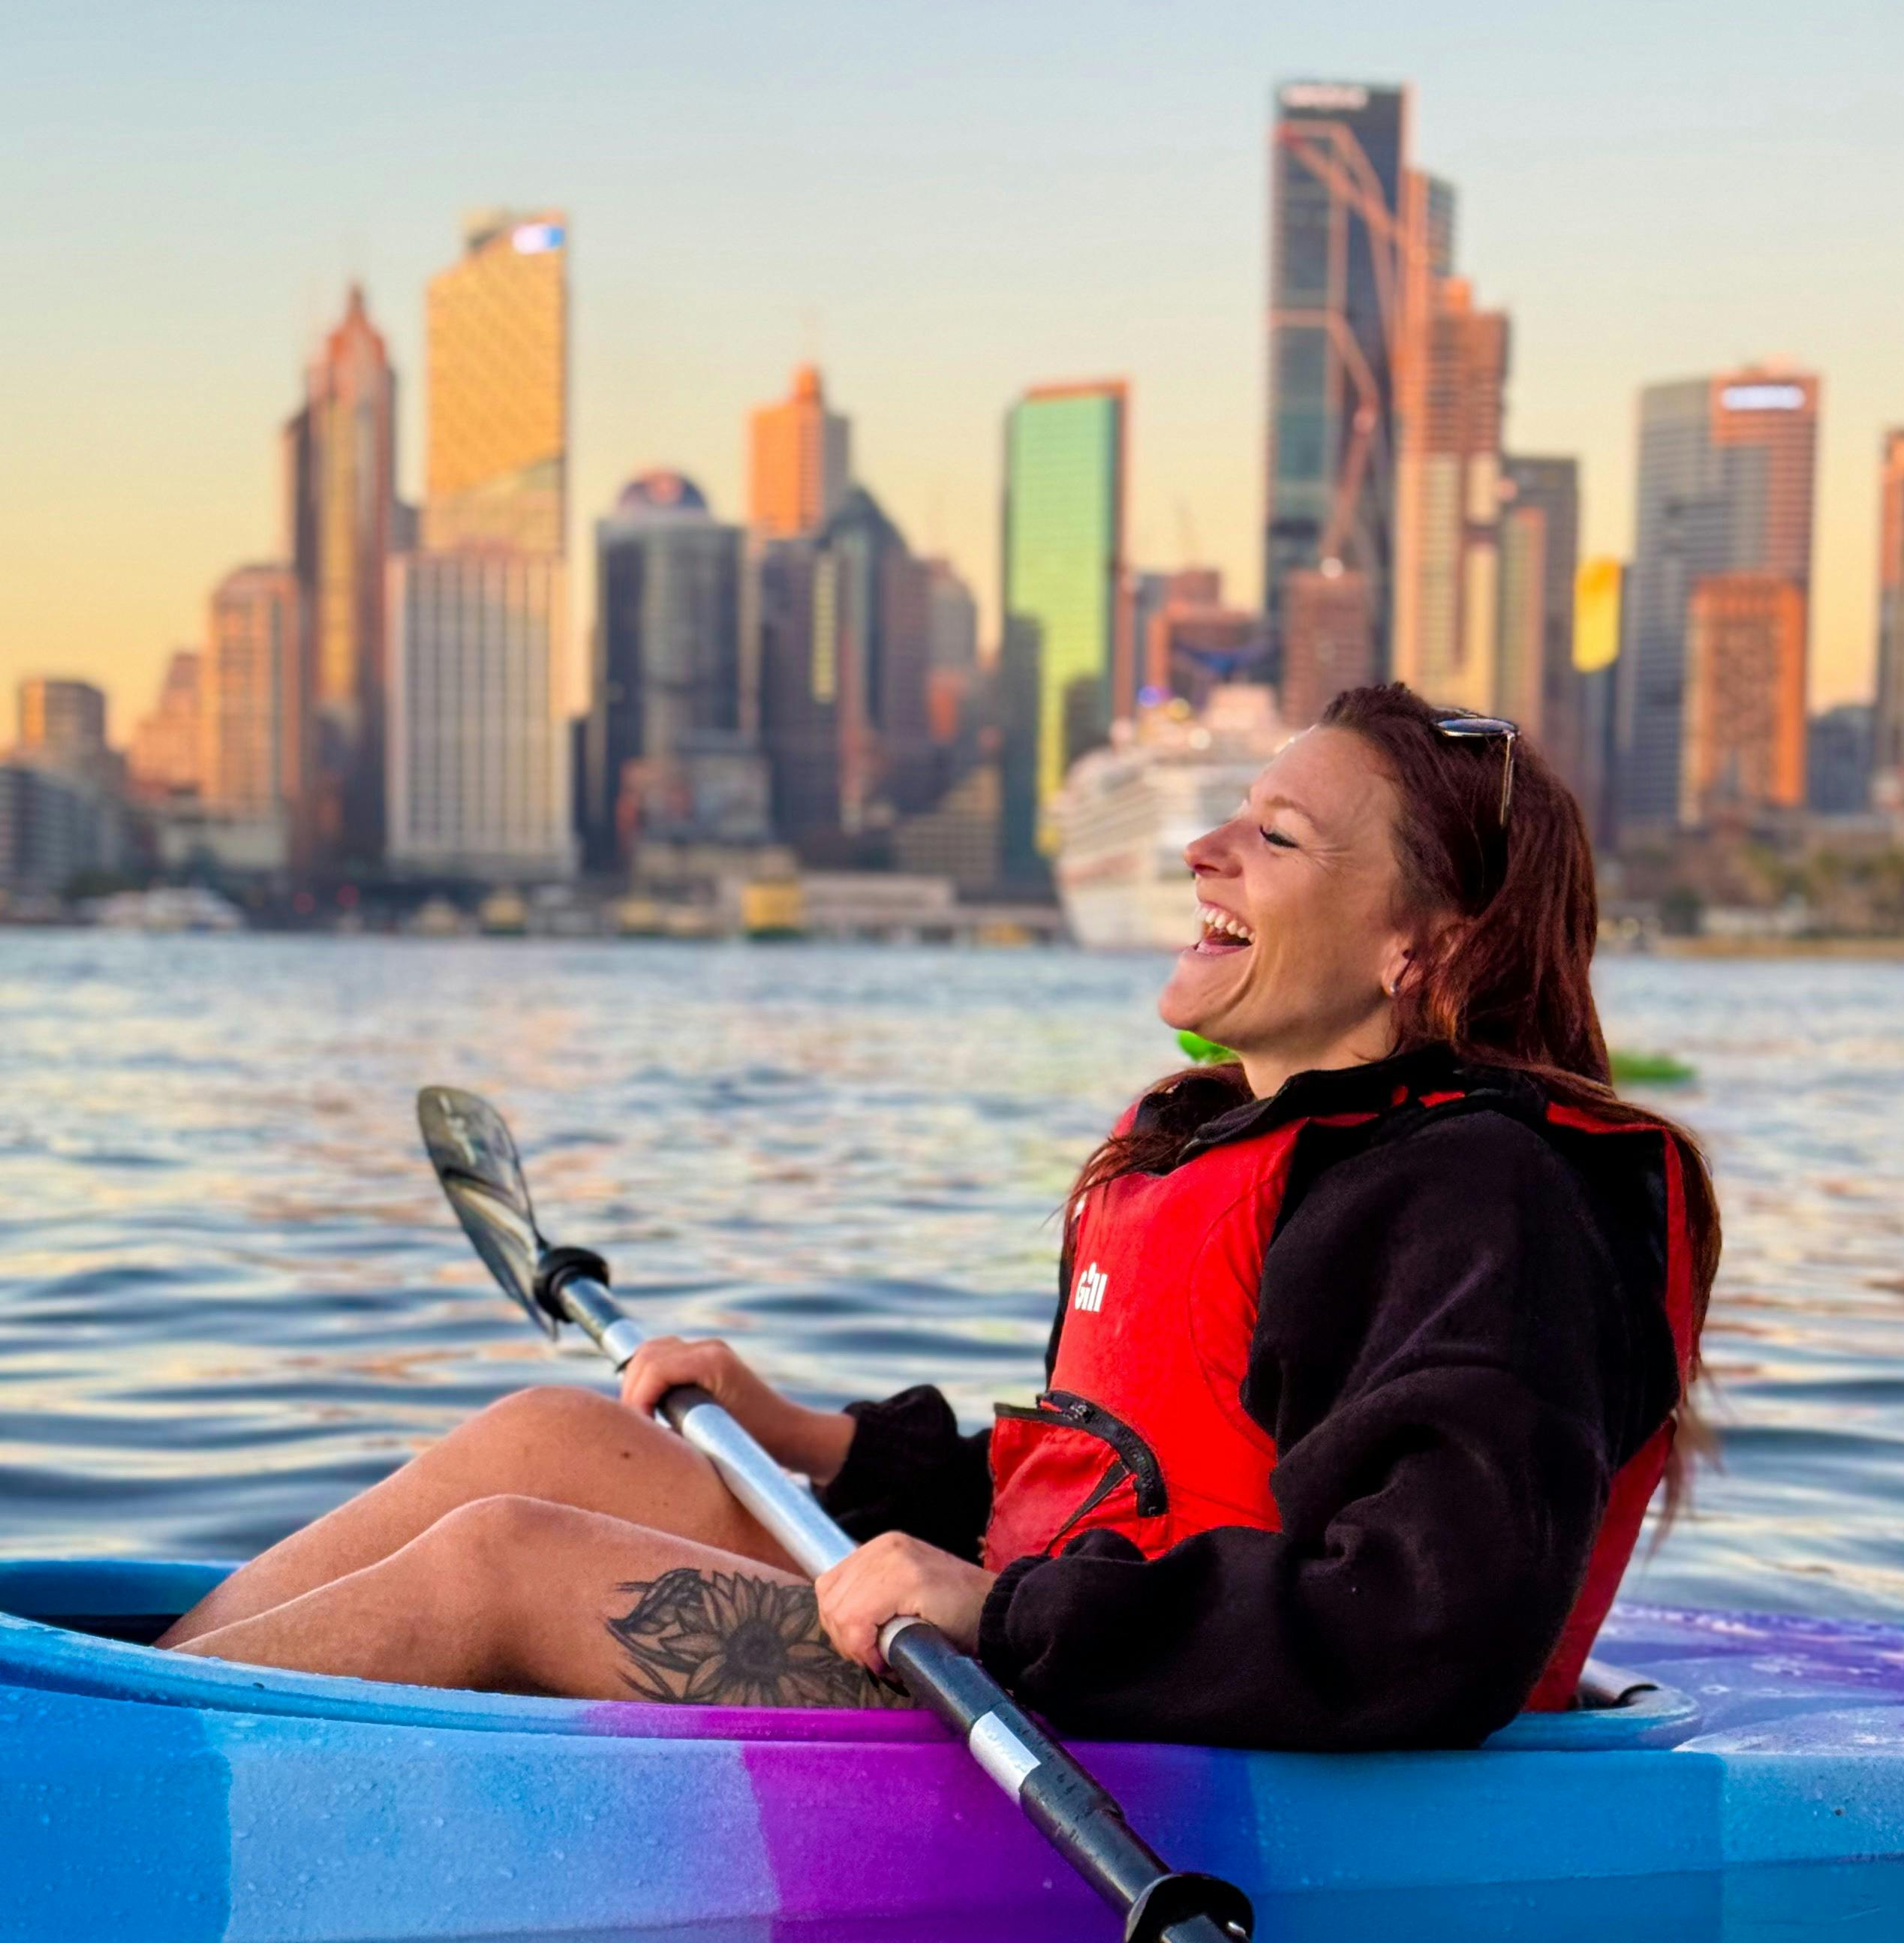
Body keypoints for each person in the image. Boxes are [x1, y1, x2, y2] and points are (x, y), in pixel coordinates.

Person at [162, 683, 1718, 1749]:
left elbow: (1427, 1620)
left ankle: (76, 1812)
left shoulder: (1479, 1195)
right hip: (1075, 1659)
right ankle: (107, 1715)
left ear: (1420, 955)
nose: (1204, 849)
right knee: (548, 1443)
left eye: (1279, 838)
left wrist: (1002, 1613)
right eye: (1229, 815)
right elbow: (1118, 1484)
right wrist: (821, 1444)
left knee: (498, 1561)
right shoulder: (1236, 1149)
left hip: (1174, 1737)